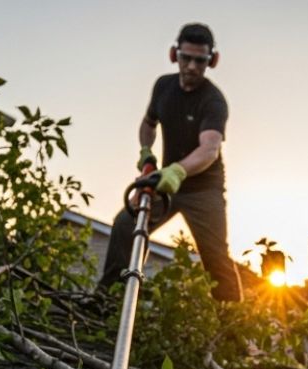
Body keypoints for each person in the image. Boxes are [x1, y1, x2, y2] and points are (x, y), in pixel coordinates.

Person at [97, 23, 242, 303]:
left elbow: (209, 149)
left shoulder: (214, 101)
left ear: (212, 60)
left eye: (199, 60)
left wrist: (178, 170)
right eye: (185, 58)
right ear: (174, 54)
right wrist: (145, 154)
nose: (190, 66)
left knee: (215, 257)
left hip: (203, 189)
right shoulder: (163, 87)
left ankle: (234, 326)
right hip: (163, 182)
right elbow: (148, 124)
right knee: (125, 225)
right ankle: (107, 301)